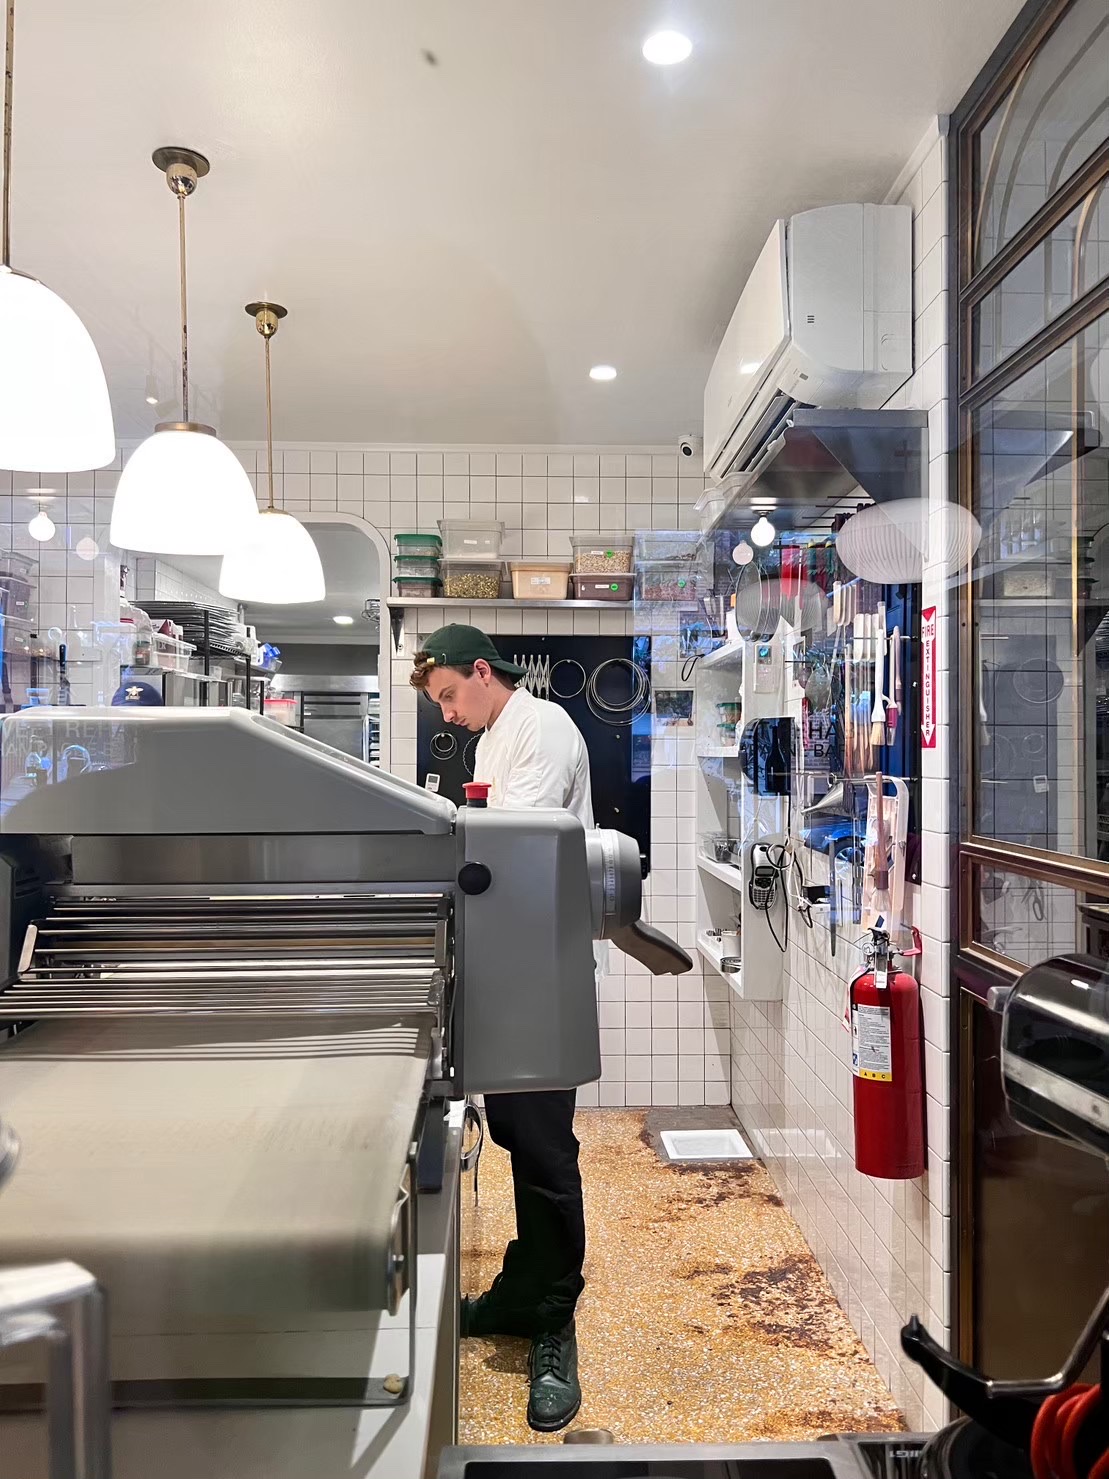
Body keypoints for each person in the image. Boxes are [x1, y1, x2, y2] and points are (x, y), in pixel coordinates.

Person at [410, 623, 591, 1433]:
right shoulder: (494, 737)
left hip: (542, 964)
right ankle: (522, 1290)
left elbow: (514, 847)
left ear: (482, 671)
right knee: (517, 1132)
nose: (447, 712)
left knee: (545, 1145)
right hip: (509, 961)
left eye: (450, 693)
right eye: (439, 702)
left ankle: (553, 1323)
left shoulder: (540, 727)